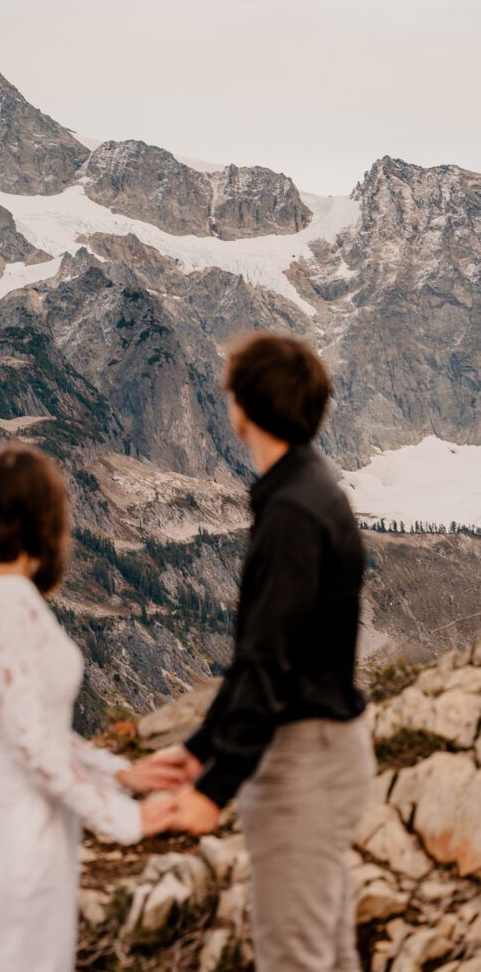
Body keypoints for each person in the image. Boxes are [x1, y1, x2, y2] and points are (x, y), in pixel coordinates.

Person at [150, 332, 376, 972]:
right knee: (324, 952)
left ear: (243, 406)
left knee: (293, 957)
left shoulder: (293, 513)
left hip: (303, 757)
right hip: (322, 747)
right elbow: (264, 654)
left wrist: (211, 787)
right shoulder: (307, 491)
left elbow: (269, 663)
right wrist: (198, 751)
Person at [0, 445, 185, 972]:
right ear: (43, 518)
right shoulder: (7, 598)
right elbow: (33, 747)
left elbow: (27, 730)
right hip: (20, 835)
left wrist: (121, 772)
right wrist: (126, 818)